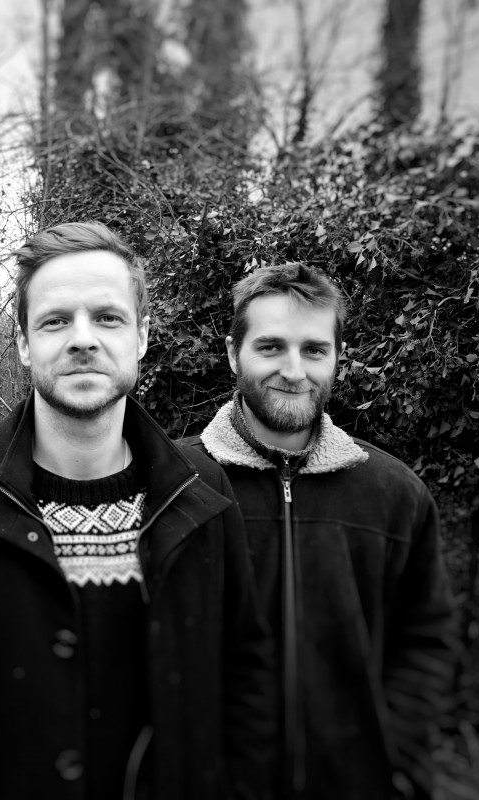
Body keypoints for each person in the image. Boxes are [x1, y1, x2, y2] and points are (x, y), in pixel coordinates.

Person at [0, 221, 274, 800]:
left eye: (108, 317)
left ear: (142, 335)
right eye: (55, 321)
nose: (83, 339)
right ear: (24, 343)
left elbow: (247, 672)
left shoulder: (201, 492)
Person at [183, 262, 454, 800]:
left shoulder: (394, 494)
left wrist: (394, 766)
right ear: (233, 353)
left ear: (337, 358)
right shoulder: (177, 486)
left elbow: (425, 641)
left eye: (313, 349)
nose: (293, 370)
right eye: (270, 347)